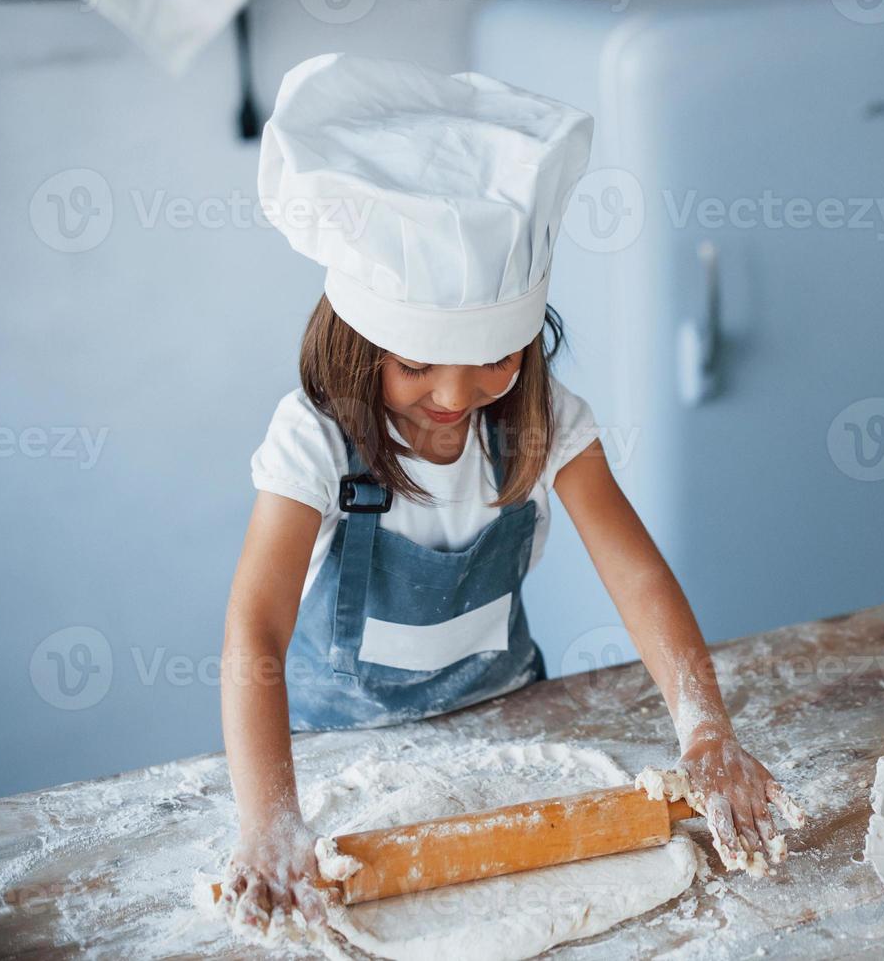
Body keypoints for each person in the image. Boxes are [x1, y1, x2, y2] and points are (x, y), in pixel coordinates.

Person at [219, 54, 790, 929]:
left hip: (511, 738)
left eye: (495, 357)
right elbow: (256, 627)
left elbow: (635, 576)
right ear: (355, 345)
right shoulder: (316, 442)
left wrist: (705, 728)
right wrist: (270, 820)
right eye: (415, 365)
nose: (454, 397)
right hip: (340, 765)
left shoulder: (543, 421)